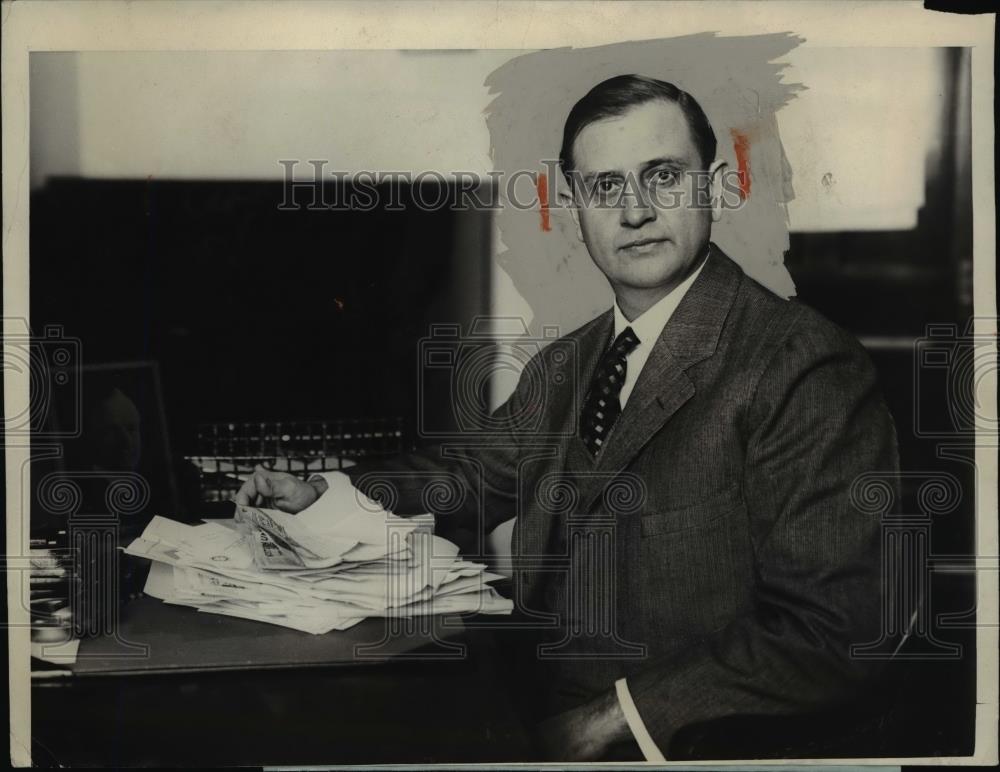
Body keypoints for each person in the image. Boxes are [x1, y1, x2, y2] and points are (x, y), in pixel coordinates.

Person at [237, 75, 900, 761]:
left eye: (663, 176)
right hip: (523, 718)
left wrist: (608, 722)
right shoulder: (567, 364)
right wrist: (326, 497)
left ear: (717, 186)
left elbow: (835, 634)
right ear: (574, 208)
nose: (635, 210)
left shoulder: (804, 366)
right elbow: (467, 478)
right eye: (605, 187)